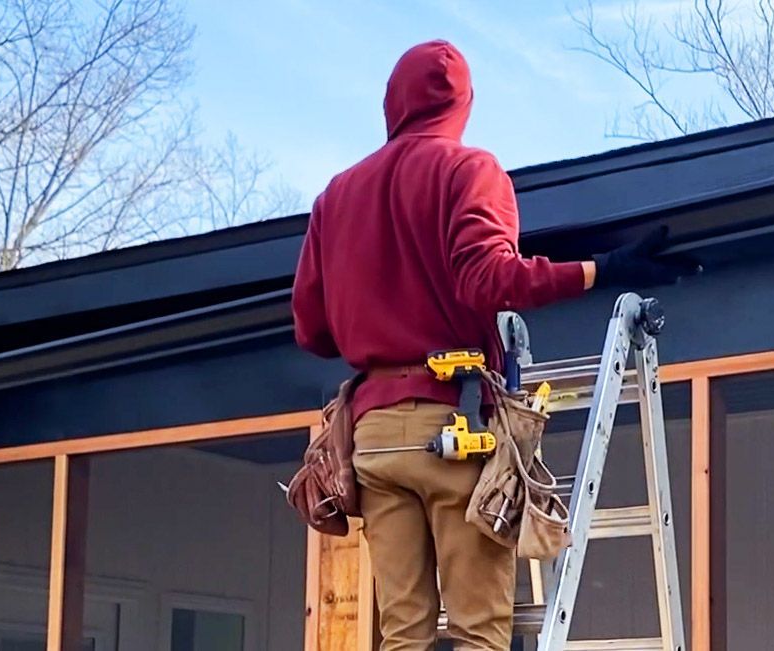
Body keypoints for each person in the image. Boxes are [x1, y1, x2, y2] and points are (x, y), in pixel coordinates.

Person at [292, 39, 695, 651]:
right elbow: (488, 281)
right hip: (452, 428)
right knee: (479, 633)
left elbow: (312, 332)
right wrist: (601, 270)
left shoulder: (336, 197)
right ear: (462, 103)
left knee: (402, 635)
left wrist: (375, 309)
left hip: (372, 441)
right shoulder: (467, 171)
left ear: (391, 104)